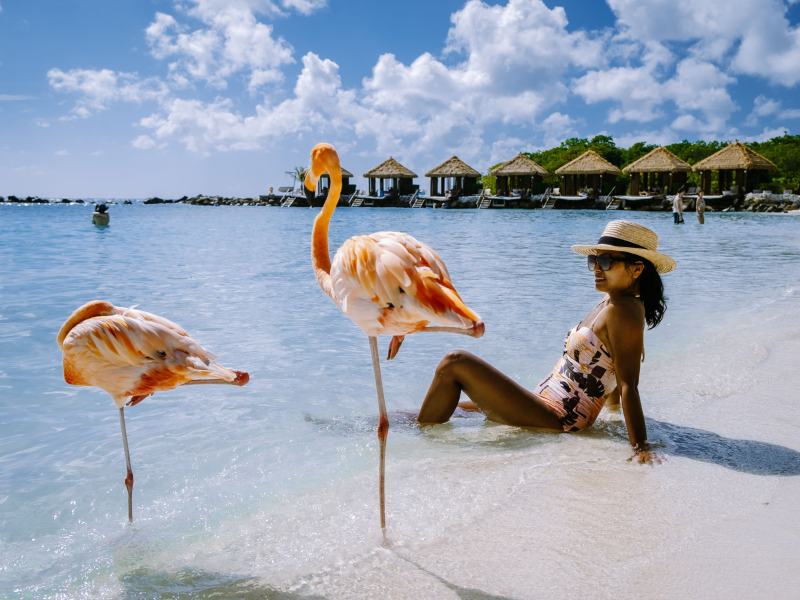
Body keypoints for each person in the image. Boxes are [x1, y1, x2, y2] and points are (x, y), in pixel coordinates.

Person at [417, 221, 676, 464]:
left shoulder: (625, 311)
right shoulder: (611, 301)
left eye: (606, 261)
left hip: (559, 417)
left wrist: (640, 447)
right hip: (542, 402)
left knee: (454, 363)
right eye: (594, 260)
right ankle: (410, 431)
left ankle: (419, 445)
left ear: (637, 269)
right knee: (447, 408)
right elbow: (611, 366)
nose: (597, 268)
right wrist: (613, 411)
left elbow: (628, 383)